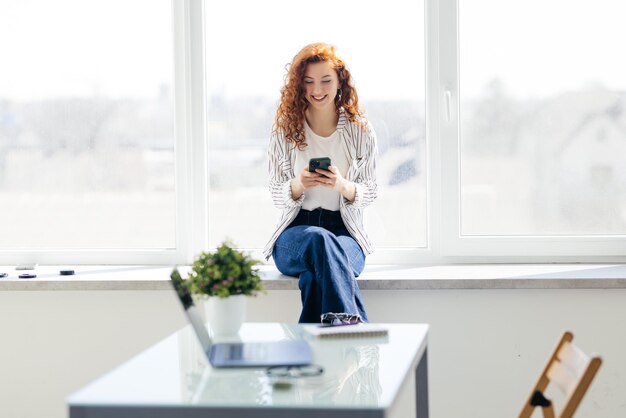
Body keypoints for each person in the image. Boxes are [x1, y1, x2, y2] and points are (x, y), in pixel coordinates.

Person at [263, 43, 378, 324]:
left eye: (326, 80)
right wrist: (298, 185)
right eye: (309, 82)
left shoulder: (359, 130)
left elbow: (371, 190)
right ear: (299, 86)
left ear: (340, 82)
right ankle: (355, 329)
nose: (318, 89)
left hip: (345, 233)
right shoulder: (285, 129)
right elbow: (277, 195)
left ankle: (311, 354)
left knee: (314, 277)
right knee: (318, 238)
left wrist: (342, 185)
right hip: (297, 234)